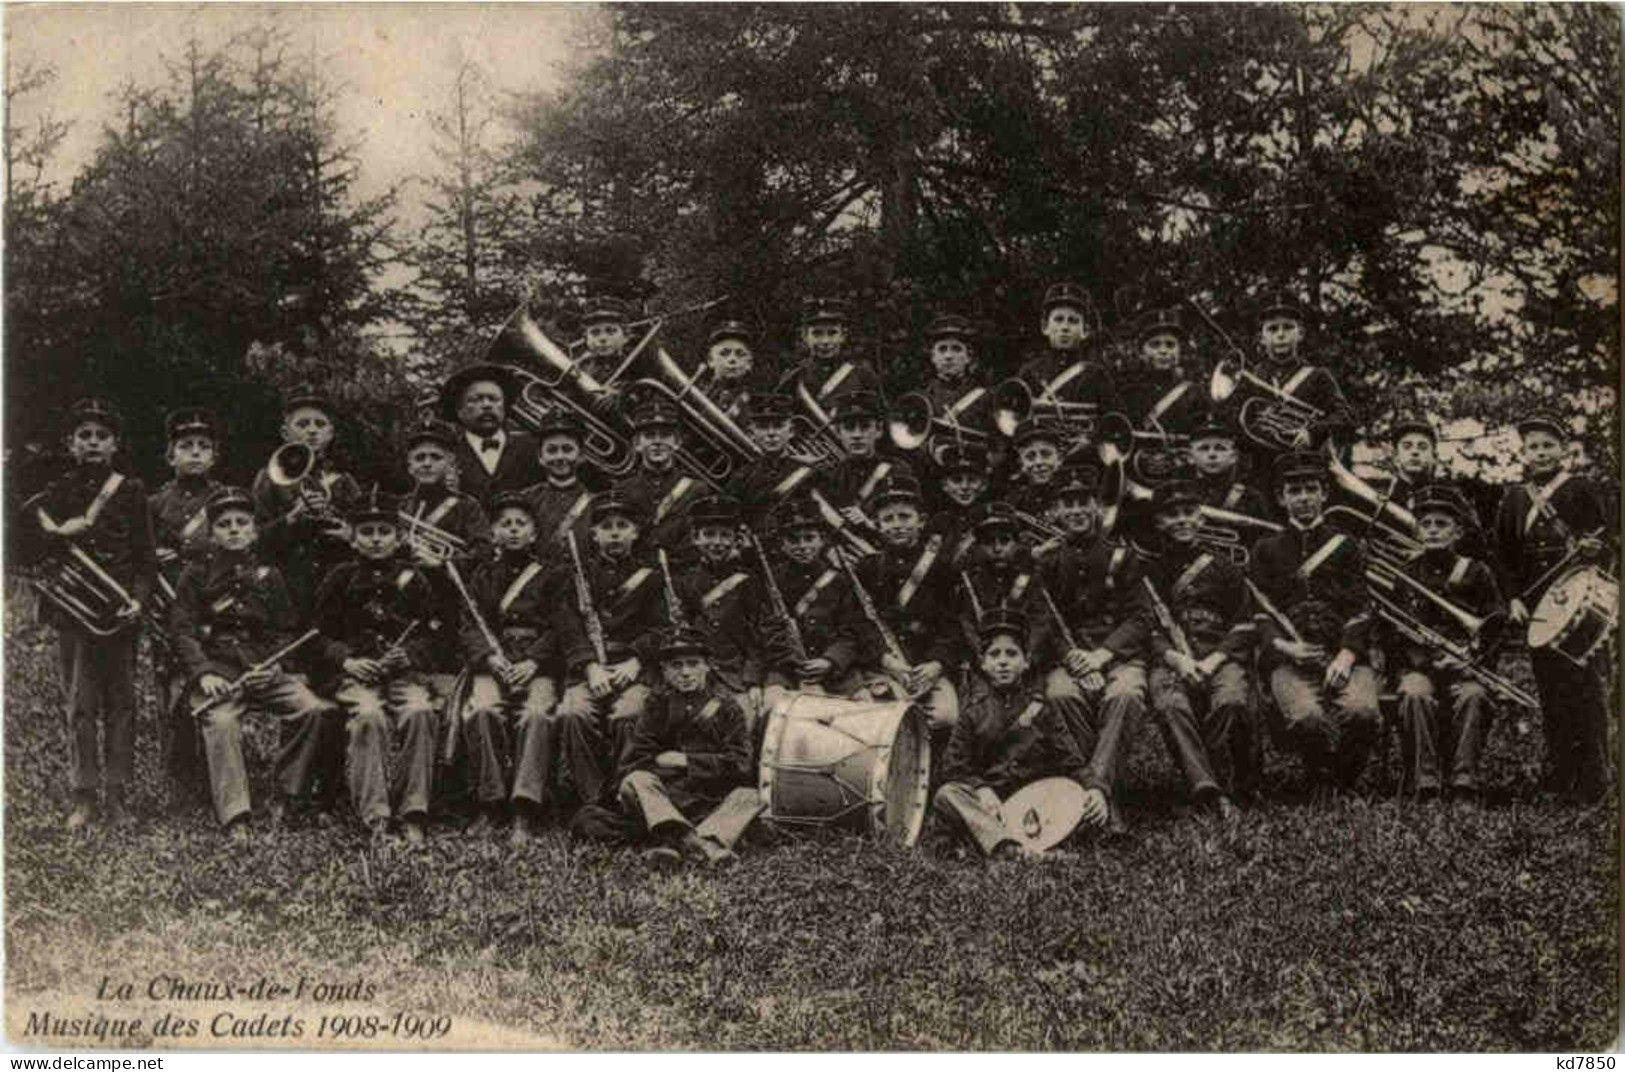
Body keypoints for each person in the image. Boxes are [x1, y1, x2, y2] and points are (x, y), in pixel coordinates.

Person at [169, 487, 340, 834]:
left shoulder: (270, 575)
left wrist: (276, 666)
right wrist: (203, 674)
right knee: (221, 722)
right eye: (224, 524)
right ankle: (236, 815)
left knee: (313, 710)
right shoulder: (195, 575)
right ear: (212, 533)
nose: (233, 530)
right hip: (219, 674)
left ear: (254, 531)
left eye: (242, 523)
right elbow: (182, 631)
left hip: (265, 671)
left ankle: (287, 794)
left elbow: (286, 630)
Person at [31, 397, 157, 829]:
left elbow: (145, 557)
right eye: (84, 436)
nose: (93, 443)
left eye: (101, 436)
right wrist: (52, 536)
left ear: (115, 444)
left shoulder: (133, 490)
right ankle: (84, 795)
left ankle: (118, 794)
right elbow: (37, 555)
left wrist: (139, 600)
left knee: (121, 705)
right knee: (80, 705)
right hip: (75, 615)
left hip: (119, 612)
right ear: (71, 444)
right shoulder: (58, 493)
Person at [1493, 412, 1613, 804]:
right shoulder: (1513, 499)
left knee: (1588, 691)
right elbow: (1503, 557)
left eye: (1548, 445)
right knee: (1552, 693)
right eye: (1533, 447)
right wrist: (1512, 597)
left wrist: (1599, 550)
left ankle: (1596, 781)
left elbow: (1610, 539)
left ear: (1563, 450)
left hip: (1580, 604)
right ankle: (1561, 778)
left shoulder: (1582, 490)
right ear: (1523, 453)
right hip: (1539, 612)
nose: (1541, 453)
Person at [310, 493, 442, 843]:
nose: (376, 538)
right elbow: (317, 636)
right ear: (352, 539)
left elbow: (434, 635)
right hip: (356, 675)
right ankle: (376, 816)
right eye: (366, 532)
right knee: (369, 716)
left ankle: (413, 811)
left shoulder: (415, 579)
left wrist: (410, 655)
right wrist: (348, 660)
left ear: (399, 538)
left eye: (384, 531)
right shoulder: (337, 578)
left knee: (420, 712)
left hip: (402, 675)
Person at [575, 625, 762, 869]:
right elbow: (634, 761)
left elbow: (741, 765)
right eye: (677, 665)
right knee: (635, 781)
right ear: (663, 671)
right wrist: (678, 772)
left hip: (707, 800)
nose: (685, 673)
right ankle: (704, 845)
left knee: (751, 796)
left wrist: (685, 761)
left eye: (693, 664)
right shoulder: (655, 705)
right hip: (664, 799)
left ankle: (670, 841)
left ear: (707, 666)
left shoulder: (728, 708)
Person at [1247, 451, 1380, 795]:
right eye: (1294, 491)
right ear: (1281, 498)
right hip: (1288, 656)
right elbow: (1259, 611)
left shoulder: (1347, 546)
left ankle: (1345, 778)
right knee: (1307, 718)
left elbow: (1361, 607)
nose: (1303, 498)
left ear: (1324, 494)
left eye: (1310, 489)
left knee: (1362, 712)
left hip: (1341, 653)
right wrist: (1284, 646)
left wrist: (1348, 655)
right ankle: (1318, 774)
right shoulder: (1265, 549)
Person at [1033, 462, 1149, 828]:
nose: (1076, 511)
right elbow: (1042, 622)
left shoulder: (1122, 556)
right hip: (1068, 661)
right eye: (1067, 504)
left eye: (1084, 501)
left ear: (1097, 507)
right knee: (1060, 696)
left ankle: (1095, 792)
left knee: (1126, 696)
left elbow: (1141, 618)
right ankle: (1102, 797)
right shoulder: (1046, 562)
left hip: (1117, 658)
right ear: (1054, 512)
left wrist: (1101, 656)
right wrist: (1073, 660)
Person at [932, 609, 1101, 859]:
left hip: (1036, 801)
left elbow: (1072, 761)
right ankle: (1015, 850)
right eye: (994, 654)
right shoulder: (972, 711)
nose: (1002, 661)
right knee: (946, 795)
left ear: (1026, 661)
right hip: (991, 806)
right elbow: (953, 766)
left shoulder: (1042, 707)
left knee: (1082, 804)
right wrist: (981, 789)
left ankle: (1005, 847)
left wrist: (1095, 789)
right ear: (983, 663)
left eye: (1012, 654)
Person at [1381, 484, 1505, 803]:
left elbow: (1495, 625)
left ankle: (1464, 782)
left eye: (1442, 524)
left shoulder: (1477, 572)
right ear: (1418, 530)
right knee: (1414, 694)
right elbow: (1391, 632)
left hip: (1465, 665)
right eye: (1426, 524)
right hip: (1418, 665)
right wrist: (1420, 660)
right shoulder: (1406, 571)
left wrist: (1471, 658)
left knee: (1474, 696)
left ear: (1457, 531)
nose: (1433, 531)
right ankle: (1425, 781)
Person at [1138, 480, 1255, 814]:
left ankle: (1216, 779)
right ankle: (1207, 789)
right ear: (1159, 522)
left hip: (1220, 655)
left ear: (1201, 518)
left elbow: (1245, 621)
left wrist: (1214, 660)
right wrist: (1176, 660)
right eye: (1172, 514)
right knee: (1170, 704)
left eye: (1189, 512)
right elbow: (1146, 627)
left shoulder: (1224, 566)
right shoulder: (1148, 570)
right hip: (1172, 659)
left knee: (1230, 699)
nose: (1182, 520)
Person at [451, 491, 561, 840]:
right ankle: (490, 803)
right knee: (482, 709)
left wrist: (535, 660)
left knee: (537, 714)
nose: (513, 531)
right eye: (505, 524)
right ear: (494, 533)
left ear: (534, 533)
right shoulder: (482, 576)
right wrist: (488, 657)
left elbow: (563, 626)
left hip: (537, 665)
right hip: (493, 662)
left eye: (521, 524)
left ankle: (524, 809)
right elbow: (468, 624)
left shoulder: (552, 575)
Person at [553, 492, 667, 812]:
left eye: (622, 526)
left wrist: (636, 660)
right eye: (607, 526)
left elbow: (661, 628)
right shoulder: (576, 576)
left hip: (634, 668)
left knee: (629, 715)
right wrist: (589, 666)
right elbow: (567, 627)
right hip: (589, 669)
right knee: (573, 712)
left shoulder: (652, 577)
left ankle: (626, 796)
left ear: (635, 533)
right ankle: (591, 801)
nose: (615, 532)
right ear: (594, 534)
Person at [147, 407, 225, 808]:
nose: (195, 453)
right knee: (173, 691)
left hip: (216, 607)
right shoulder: (156, 503)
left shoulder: (226, 500)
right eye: (185, 446)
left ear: (214, 457)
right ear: (170, 455)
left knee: (215, 683)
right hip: (169, 606)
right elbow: (143, 555)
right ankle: (182, 778)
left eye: (203, 447)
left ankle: (220, 774)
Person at [849, 475, 960, 748]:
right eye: (888, 519)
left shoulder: (941, 568)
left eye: (904, 517)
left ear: (921, 521)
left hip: (927, 668)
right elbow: (858, 624)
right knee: (883, 717)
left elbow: (953, 625)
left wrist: (936, 664)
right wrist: (886, 661)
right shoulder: (866, 568)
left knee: (945, 716)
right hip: (883, 667)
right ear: (877, 525)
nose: (897, 525)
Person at [251, 385, 362, 619]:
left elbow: (365, 533)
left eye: (320, 425)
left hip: (336, 581)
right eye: (302, 424)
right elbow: (255, 540)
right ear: (285, 433)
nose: (312, 431)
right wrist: (291, 519)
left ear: (330, 433)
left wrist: (347, 531)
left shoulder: (345, 481)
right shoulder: (268, 478)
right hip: (288, 583)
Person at [756, 497, 862, 714]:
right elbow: (768, 632)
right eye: (794, 540)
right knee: (770, 709)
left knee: (864, 710)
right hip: (788, 669)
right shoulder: (771, 581)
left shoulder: (840, 580)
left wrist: (830, 661)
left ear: (821, 540)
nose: (802, 546)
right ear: (782, 545)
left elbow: (851, 631)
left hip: (837, 670)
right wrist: (797, 665)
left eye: (809, 538)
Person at [670, 496, 765, 731]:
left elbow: (758, 635)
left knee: (743, 723)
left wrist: (753, 681)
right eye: (709, 534)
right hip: (694, 676)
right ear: (695, 538)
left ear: (735, 539)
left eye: (725, 535)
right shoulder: (682, 582)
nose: (717, 542)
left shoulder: (748, 581)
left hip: (735, 677)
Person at [1232, 291, 1356, 467]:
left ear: (1301, 334)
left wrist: (1312, 432)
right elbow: (1237, 424)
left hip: (1305, 466)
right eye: (1272, 329)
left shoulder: (1317, 375)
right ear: (1261, 338)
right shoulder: (1251, 376)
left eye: (1288, 327)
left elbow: (1346, 416)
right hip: (1262, 465)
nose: (1281, 334)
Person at [439, 363, 543, 506]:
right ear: (459, 410)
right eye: (475, 400)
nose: (487, 405)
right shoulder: (447, 455)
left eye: (494, 399)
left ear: (504, 406)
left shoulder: (533, 446)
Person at [816, 390, 915, 539]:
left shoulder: (897, 469)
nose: (857, 435)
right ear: (838, 433)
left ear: (879, 430)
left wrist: (869, 523)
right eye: (849, 428)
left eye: (865, 427)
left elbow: (909, 525)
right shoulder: (836, 473)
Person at [614, 399, 705, 552]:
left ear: (677, 442)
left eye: (665, 435)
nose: (657, 442)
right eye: (649, 436)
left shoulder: (697, 490)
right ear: (637, 444)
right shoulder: (622, 491)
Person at [726, 392, 820, 535]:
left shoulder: (811, 469)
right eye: (763, 427)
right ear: (751, 434)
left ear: (791, 431)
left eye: (778, 426)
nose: (771, 433)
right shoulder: (741, 479)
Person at [776, 295, 883, 405]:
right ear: (805, 336)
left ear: (843, 336)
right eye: (817, 334)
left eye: (832, 333)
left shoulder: (862, 373)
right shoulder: (794, 377)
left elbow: (882, 417)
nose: (825, 341)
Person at [518, 410, 597, 552]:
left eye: (567, 449)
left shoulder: (595, 504)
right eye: (552, 450)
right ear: (540, 457)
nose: (560, 457)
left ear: (581, 456)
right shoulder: (525, 500)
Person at [697, 319, 776, 420]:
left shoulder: (759, 404)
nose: (732, 359)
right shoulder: (696, 397)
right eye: (724, 353)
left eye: (740, 354)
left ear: (749, 364)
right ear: (710, 360)